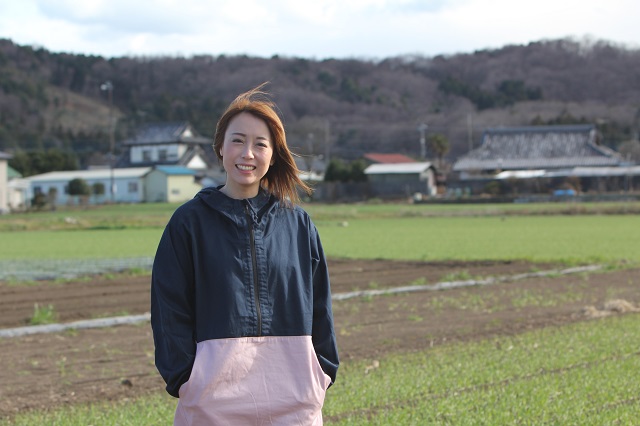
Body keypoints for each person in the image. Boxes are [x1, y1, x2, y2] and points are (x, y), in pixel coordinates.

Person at [151, 83, 339, 425]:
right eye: (237, 140)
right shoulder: (189, 223)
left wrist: (322, 370)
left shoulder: (297, 224)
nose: (247, 153)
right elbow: (169, 306)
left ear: (273, 154)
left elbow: (320, 304)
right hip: (211, 400)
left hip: (293, 397)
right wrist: (185, 378)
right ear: (220, 148)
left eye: (260, 144)